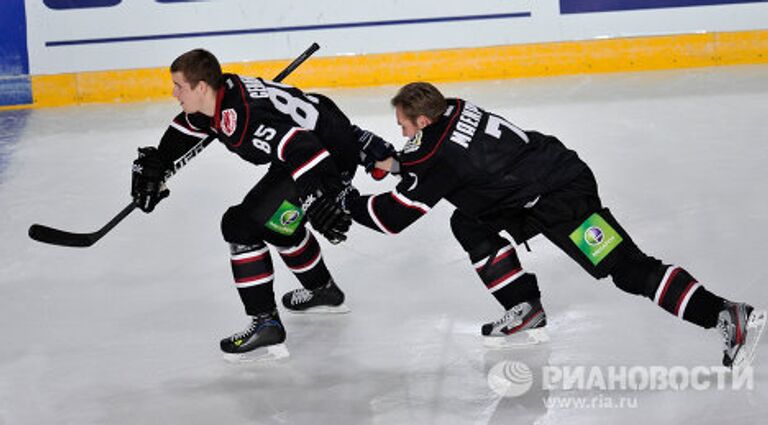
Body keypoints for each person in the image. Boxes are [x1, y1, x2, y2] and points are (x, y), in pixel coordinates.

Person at [338, 82, 766, 368]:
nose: (402, 133)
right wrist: (394, 161)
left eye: (404, 126)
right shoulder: (454, 109)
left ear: (424, 122)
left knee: (627, 269)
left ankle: (725, 313)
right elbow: (431, 157)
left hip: (561, 199)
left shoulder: (439, 155)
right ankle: (525, 308)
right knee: (468, 221)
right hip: (532, 183)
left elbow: (392, 217)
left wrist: (346, 202)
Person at [129, 48, 390, 362]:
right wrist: (160, 163)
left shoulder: (243, 120)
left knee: (241, 225)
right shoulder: (220, 93)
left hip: (321, 159)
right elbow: (188, 126)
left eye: (179, 87)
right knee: (278, 225)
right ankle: (323, 291)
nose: (173, 93)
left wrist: (315, 197)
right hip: (316, 145)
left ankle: (265, 322)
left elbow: (302, 148)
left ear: (200, 87)